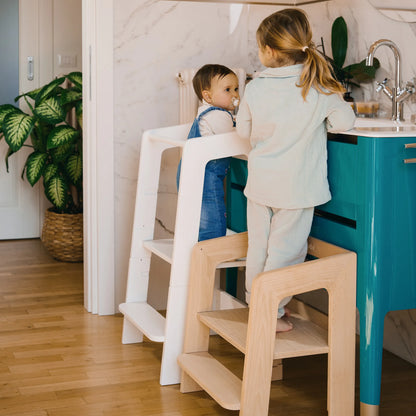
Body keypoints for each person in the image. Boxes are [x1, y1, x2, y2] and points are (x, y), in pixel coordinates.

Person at [236, 8, 355, 332]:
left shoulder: (256, 87)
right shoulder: (318, 87)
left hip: (260, 186)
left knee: (259, 248)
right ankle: (270, 311)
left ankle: (257, 304)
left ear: (269, 50)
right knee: (285, 252)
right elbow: (344, 122)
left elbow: (243, 130)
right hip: (296, 189)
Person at [177, 64, 240, 241]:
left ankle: (195, 247)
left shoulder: (205, 113)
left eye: (236, 89)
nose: (235, 95)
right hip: (206, 177)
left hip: (191, 173)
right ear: (208, 96)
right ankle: (210, 249)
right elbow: (235, 138)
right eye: (227, 90)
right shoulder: (218, 115)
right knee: (213, 218)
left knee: (199, 217)